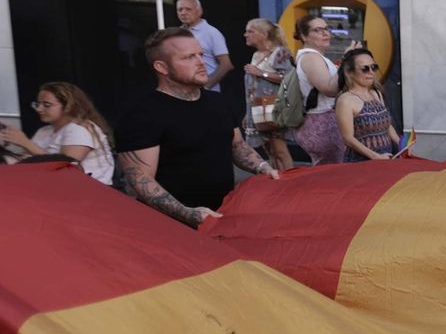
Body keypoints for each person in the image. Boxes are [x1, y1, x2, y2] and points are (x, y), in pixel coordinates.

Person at [116, 27, 278, 227]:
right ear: (162, 67)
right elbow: (141, 180)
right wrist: (188, 214)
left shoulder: (218, 102)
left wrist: (263, 168)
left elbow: (237, 146)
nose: (201, 63)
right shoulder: (142, 115)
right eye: (188, 57)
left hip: (223, 217)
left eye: (201, 54)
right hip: (172, 228)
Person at [0, 81, 116, 185]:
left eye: (47, 105)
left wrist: (25, 143)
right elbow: (29, 160)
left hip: (91, 190)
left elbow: (66, 166)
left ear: (68, 106)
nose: (39, 109)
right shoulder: (44, 131)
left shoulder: (79, 129)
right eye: (37, 104)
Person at [290, 14, 348, 165]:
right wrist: (346, 60)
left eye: (327, 29)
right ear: (304, 36)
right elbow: (329, 88)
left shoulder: (314, 57)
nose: (325, 33)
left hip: (321, 122)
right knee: (332, 177)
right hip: (322, 123)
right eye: (318, 30)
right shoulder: (311, 58)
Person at [242, 18, 295, 171]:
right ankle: (278, 181)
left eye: (250, 31)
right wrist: (248, 113)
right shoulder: (257, 55)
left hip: (273, 109)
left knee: (280, 150)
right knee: (269, 150)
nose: (246, 34)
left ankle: (290, 182)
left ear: (264, 34)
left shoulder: (280, 52)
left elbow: (288, 78)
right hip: (258, 109)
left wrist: (261, 73)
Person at [335, 48, 399, 162]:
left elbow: (388, 125)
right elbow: (348, 138)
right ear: (350, 72)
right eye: (365, 69)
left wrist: (402, 145)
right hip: (361, 163)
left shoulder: (376, 93)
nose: (371, 72)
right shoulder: (345, 100)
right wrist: (376, 157)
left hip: (386, 158)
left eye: (374, 67)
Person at [175, 0, 234, 92]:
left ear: (199, 11)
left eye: (188, 9)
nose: (183, 13)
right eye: (180, 9)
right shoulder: (177, 32)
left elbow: (226, 64)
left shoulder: (211, 32)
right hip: (183, 91)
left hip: (206, 91)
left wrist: (206, 87)